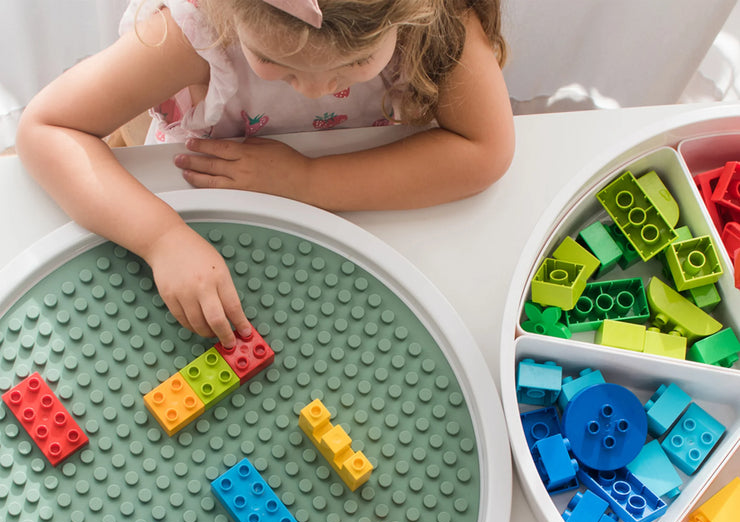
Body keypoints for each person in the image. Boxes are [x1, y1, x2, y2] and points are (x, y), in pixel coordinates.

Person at [16, 0, 514, 347]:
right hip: (199, 215)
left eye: (356, 61)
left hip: (354, 222)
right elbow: (45, 127)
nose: (316, 90)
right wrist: (161, 238)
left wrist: (308, 182)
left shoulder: (435, 18)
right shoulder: (197, 31)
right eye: (276, 61)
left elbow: (486, 149)